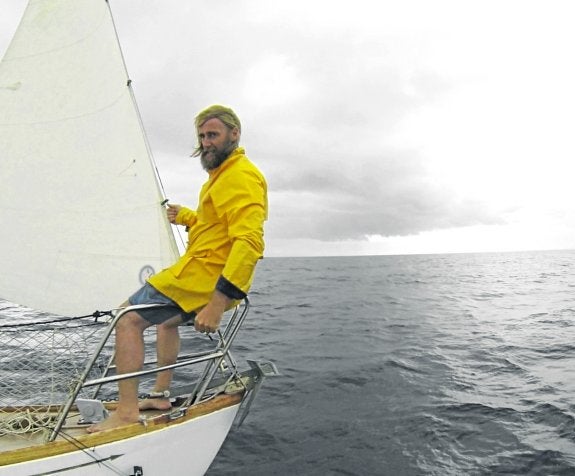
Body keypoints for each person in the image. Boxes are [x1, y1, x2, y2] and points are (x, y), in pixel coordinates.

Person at [88, 105, 267, 432]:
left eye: (213, 135)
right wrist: (186, 217)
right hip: (200, 276)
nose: (206, 142)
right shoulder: (221, 177)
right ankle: (160, 395)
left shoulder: (240, 176)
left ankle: (126, 413)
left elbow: (249, 242)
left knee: (126, 319)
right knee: (166, 323)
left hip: (202, 280)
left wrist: (216, 304)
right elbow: (215, 227)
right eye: (202, 136)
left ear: (234, 134)